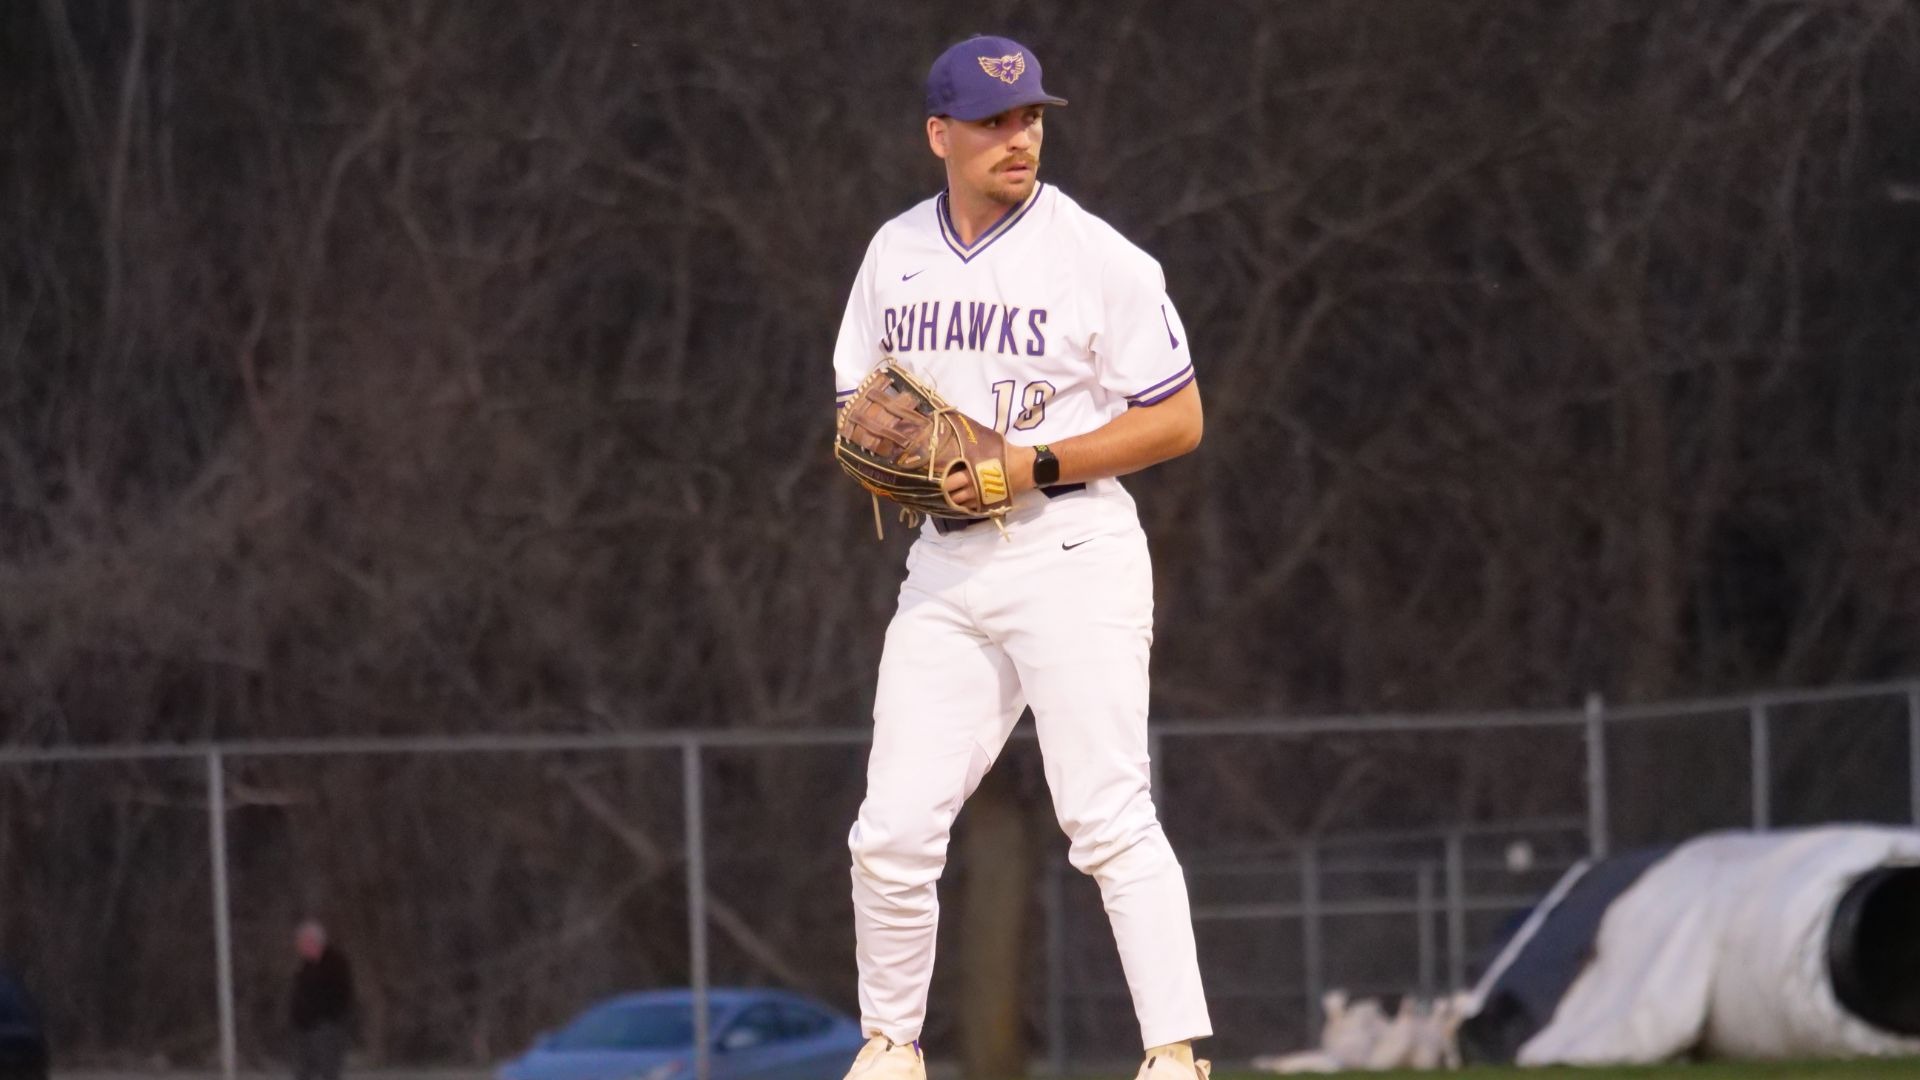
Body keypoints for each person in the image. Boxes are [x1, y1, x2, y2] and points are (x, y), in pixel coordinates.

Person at [831, 33, 1212, 1080]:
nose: (1020, 136)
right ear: (938, 135)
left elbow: (1178, 419)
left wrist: (1030, 462)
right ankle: (892, 1048)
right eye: (995, 120)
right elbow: (857, 405)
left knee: (1104, 812)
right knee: (891, 830)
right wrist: (899, 463)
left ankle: (1175, 1053)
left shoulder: (1099, 257)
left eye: (1032, 116)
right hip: (946, 565)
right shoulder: (893, 254)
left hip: (1072, 546)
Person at [288, 919, 355, 1080]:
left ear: (313, 942)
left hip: (327, 1026)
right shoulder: (306, 966)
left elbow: (340, 995)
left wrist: (325, 1016)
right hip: (306, 1027)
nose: (299, 946)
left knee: (329, 1070)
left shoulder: (335, 963)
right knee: (303, 1071)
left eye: (302, 942)